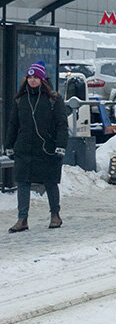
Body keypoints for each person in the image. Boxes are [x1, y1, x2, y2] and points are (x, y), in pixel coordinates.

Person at [6, 62, 68, 232]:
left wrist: (60, 146)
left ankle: (55, 215)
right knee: (23, 182)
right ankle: (22, 219)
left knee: (50, 182)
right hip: (24, 149)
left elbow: (62, 124)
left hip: (47, 149)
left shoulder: (53, 100)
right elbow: (13, 124)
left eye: (36, 78)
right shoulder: (21, 100)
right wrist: (9, 145)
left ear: (42, 80)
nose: (32, 81)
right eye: (30, 77)